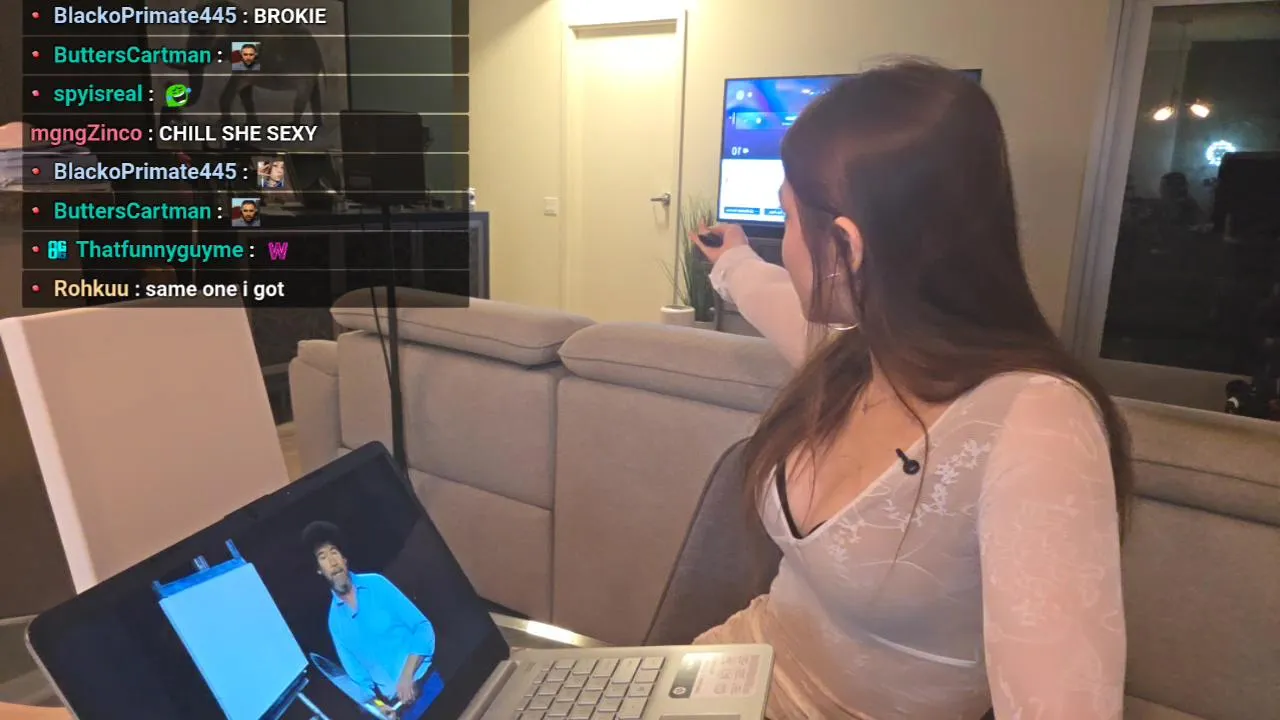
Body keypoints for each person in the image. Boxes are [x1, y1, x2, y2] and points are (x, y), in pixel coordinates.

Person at [691, 60, 1129, 720]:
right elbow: (769, 294)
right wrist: (732, 261)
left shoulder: (1039, 425)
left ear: (847, 246)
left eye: (787, 218)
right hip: (726, 678)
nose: (786, 247)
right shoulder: (859, 355)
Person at [301, 521, 436, 713]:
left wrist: (407, 675)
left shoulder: (376, 584)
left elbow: (422, 628)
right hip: (400, 708)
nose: (332, 562)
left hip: (428, 683)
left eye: (334, 552)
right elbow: (361, 685)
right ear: (319, 570)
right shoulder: (335, 623)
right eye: (323, 557)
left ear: (344, 558)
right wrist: (380, 708)